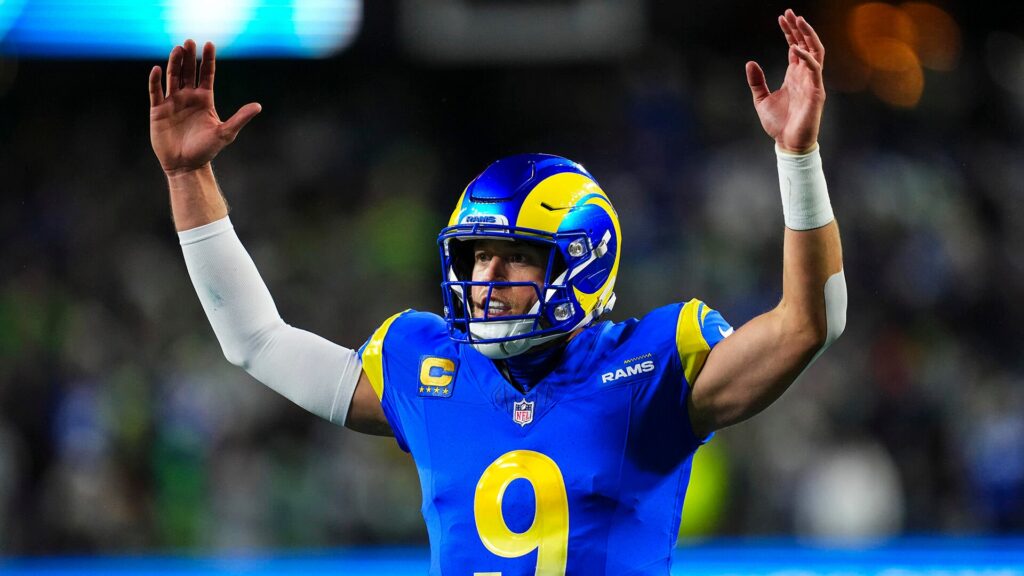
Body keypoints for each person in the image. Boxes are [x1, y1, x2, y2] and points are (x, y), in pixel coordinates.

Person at [149, 8, 846, 574]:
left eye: (515, 258)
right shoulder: (426, 365)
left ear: (582, 264)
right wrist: (187, 178)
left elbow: (808, 324)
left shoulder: (650, 366)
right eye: (477, 257)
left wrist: (798, 158)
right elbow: (256, 341)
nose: (486, 278)